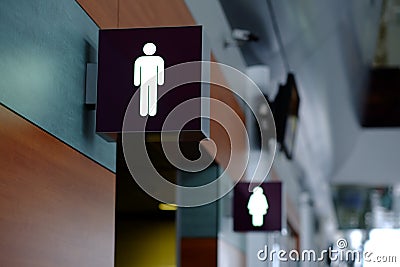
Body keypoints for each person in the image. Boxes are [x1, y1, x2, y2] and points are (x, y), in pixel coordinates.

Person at [134, 42, 165, 116]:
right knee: (149, 95)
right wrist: (160, 81)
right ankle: (148, 111)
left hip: (149, 80)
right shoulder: (158, 59)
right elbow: (137, 71)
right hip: (147, 80)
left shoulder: (140, 60)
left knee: (149, 95)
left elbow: (160, 71)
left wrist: (137, 81)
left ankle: (147, 111)